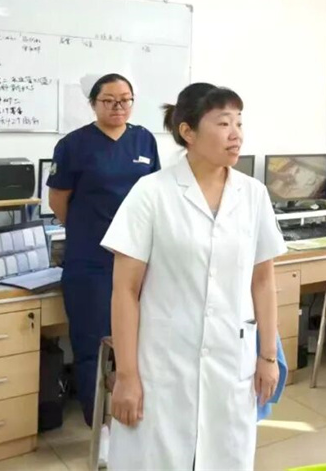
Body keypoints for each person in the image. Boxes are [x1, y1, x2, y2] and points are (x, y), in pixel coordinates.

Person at [101, 85, 287, 470]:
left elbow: (263, 282)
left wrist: (268, 357)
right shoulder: (152, 193)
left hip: (231, 364)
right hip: (162, 366)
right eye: (223, 123)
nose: (236, 134)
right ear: (188, 132)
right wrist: (127, 376)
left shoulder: (253, 195)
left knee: (224, 458)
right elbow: (125, 291)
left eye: (239, 123)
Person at [46, 73, 160, 463]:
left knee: (141, 342)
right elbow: (59, 201)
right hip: (91, 261)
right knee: (93, 345)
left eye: (125, 99)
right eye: (109, 100)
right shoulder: (73, 145)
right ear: (93, 103)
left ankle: (138, 419)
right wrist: (88, 231)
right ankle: (103, 430)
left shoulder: (144, 140)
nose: (118, 107)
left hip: (140, 258)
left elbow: (154, 195)